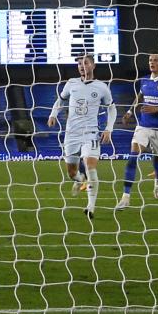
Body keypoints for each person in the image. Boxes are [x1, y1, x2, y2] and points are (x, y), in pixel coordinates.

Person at [48, 55, 115, 216]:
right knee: (71, 173)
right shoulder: (71, 83)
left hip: (90, 133)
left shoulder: (102, 87)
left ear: (93, 65)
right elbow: (61, 100)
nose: (81, 66)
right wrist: (53, 114)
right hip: (71, 134)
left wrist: (109, 128)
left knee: (91, 167)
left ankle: (90, 207)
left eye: (85, 62)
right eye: (79, 63)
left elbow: (111, 108)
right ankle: (80, 179)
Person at [117, 53, 158, 210]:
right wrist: (130, 111)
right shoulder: (144, 81)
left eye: (155, 60)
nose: (152, 62)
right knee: (132, 157)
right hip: (143, 126)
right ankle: (125, 197)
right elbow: (140, 96)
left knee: (157, 161)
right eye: (150, 60)